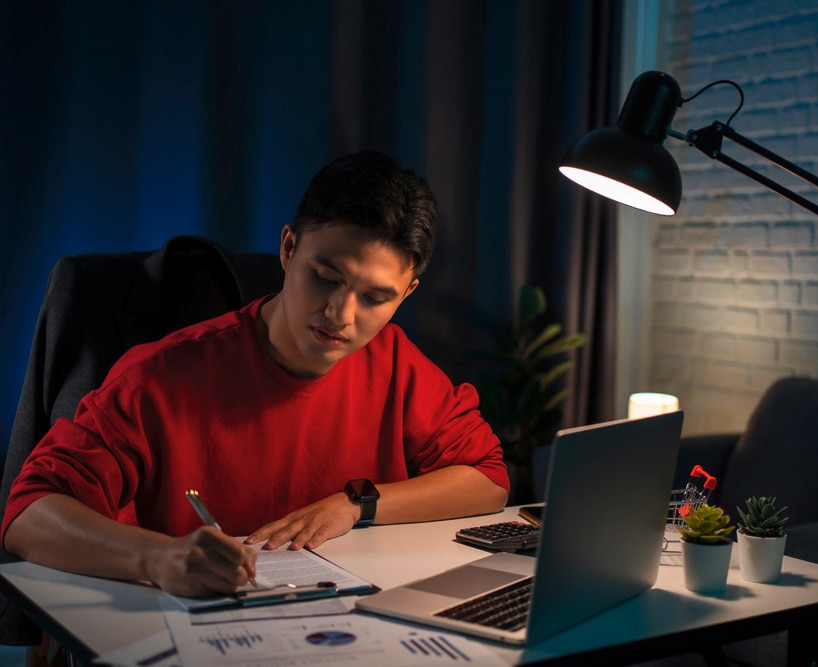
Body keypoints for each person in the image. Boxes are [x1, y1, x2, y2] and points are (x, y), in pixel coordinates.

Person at [1, 150, 509, 599]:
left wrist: (356, 504)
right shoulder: (161, 377)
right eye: (326, 278)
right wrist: (158, 559)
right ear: (288, 249)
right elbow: (28, 514)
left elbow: (487, 480)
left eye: (376, 298)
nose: (341, 314)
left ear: (407, 294)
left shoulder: (398, 365)